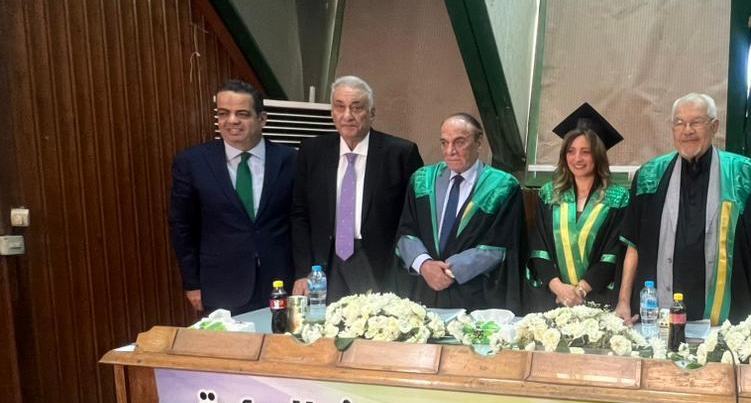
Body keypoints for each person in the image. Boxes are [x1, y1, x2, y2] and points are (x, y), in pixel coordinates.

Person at [616, 93, 751, 326]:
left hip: (725, 314)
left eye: (696, 122)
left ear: (714, 126)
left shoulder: (743, 175)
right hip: (659, 311)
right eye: (679, 123)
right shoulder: (650, 175)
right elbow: (633, 245)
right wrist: (623, 301)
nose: (687, 130)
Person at [169, 79, 296, 315]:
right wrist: (192, 283)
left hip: (280, 283)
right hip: (221, 284)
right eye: (223, 113)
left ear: (262, 119)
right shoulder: (193, 162)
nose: (232, 121)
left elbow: (301, 221)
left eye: (242, 114)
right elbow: (182, 227)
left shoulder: (291, 160)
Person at [291, 76, 423, 299]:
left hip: (379, 263)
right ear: (332, 112)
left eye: (356, 108)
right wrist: (304, 271)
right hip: (325, 263)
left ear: (372, 113)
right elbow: (299, 214)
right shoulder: (312, 151)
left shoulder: (401, 153)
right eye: (339, 107)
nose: (347, 116)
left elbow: (414, 219)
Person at [395, 113, 524, 312]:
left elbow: (501, 244)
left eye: (459, 142)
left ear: (478, 142)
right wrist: (424, 265)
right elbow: (406, 231)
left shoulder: (501, 186)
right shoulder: (422, 180)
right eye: (444, 143)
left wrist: (450, 271)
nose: (450, 151)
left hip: (474, 294)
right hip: (423, 289)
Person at [528, 103, 630, 310]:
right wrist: (558, 288)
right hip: (552, 298)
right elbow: (538, 246)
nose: (577, 159)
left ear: (598, 155)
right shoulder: (549, 194)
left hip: (598, 297)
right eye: (571, 151)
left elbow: (614, 252)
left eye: (586, 152)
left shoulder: (617, 198)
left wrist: (580, 290)